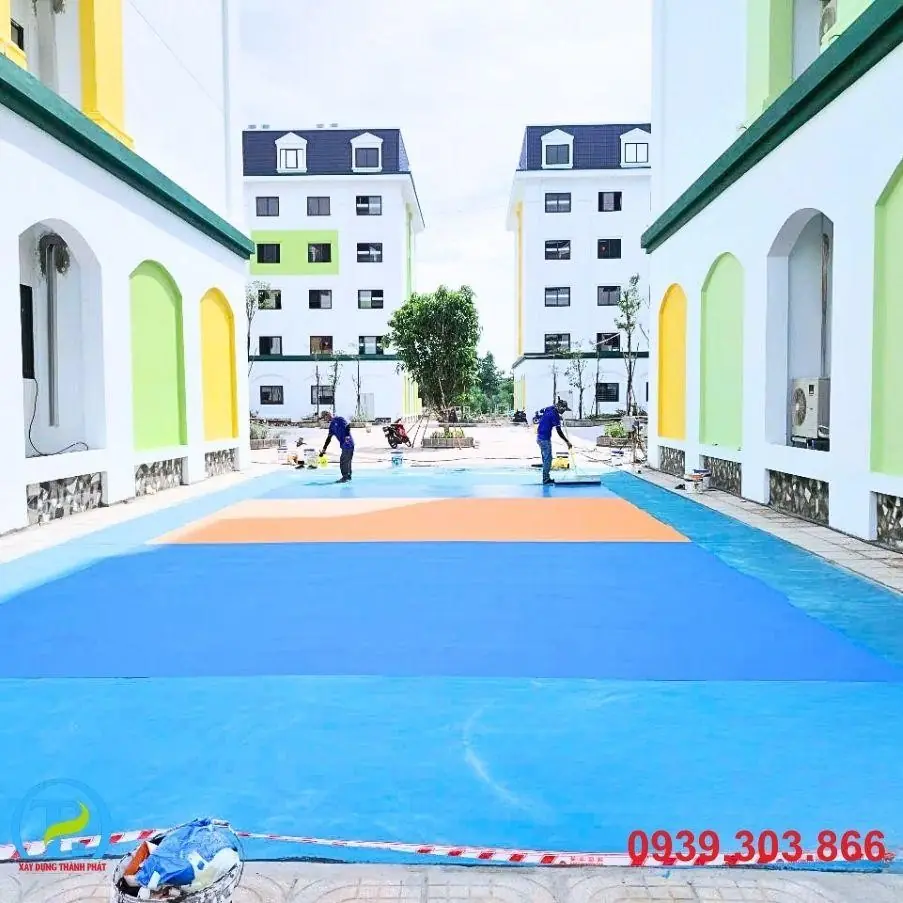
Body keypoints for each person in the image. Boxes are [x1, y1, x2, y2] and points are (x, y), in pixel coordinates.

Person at [536, 399, 571, 485]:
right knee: (548, 459)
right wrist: (567, 442)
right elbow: (559, 431)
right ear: (559, 407)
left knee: (545, 459)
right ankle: (546, 479)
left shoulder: (549, 408)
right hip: (544, 439)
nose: (563, 411)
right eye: (563, 409)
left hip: (540, 437)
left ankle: (545, 477)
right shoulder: (555, 416)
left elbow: (542, 410)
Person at [320, 411, 354, 483]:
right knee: (347, 461)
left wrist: (347, 436)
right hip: (344, 445)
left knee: (343, 461)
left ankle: (345, 477)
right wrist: (324, 449)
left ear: (328, 415)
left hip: (348, 443)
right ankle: (348, 477)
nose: (324, 419)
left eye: (324, 417)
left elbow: (347, 426)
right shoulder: (331, 426)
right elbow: (329, 438)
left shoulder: (339, 419)